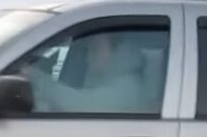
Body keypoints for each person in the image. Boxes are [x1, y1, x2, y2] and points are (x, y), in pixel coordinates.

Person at [19, 31, 164, 115]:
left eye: (95, 48)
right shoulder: (111, 81)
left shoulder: (127, 88)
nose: (88, 58)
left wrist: (34, 76)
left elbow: (78, 103)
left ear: (118, 50)